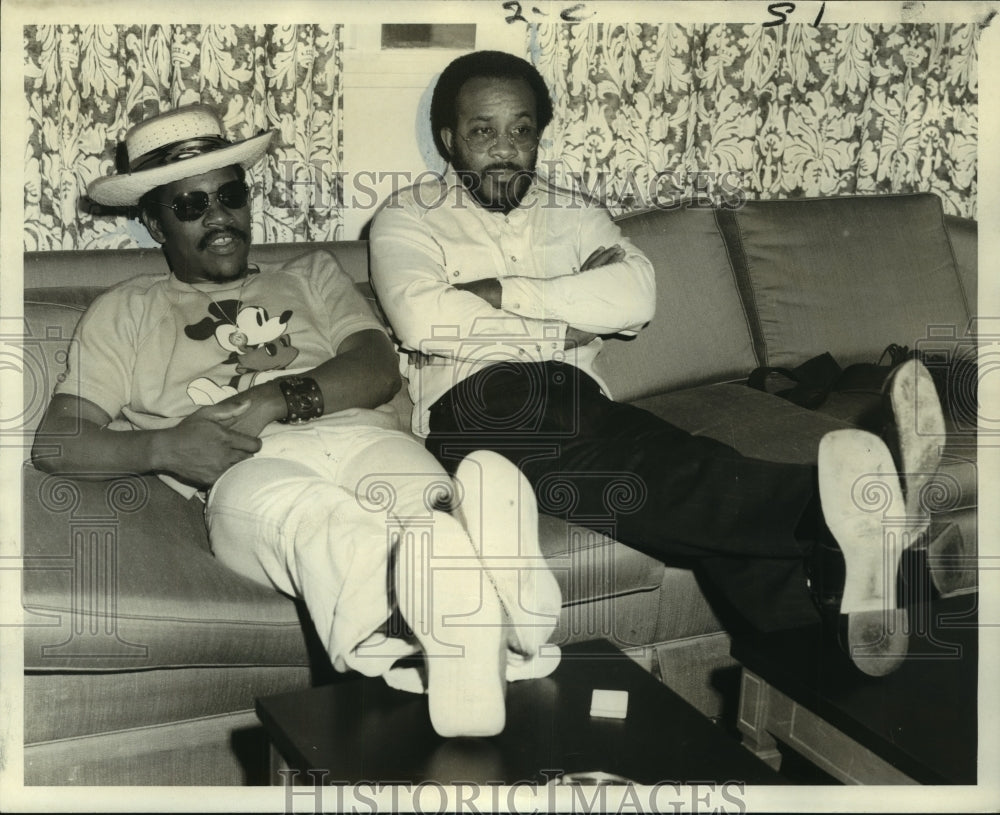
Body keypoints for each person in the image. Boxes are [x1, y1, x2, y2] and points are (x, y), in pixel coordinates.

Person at [369, 50, 946, 676]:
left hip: (577, 399)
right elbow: (424, 321)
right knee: (663, 466)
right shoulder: (407, 216)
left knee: (671, 483)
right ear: (451, 140)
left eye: (522, 129)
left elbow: (636, 298)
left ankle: (832, 657)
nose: (504, 148)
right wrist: (570, 312)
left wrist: (501, 294)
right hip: (473, 406)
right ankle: (840, 512)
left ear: (539, 136)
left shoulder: (575, 213)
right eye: (483, 131)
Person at [31, 104, 563, 738]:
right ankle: (495, 614)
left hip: (361, 434)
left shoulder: (310, 273)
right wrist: (165, 448)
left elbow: (375, 367)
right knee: (315, 522)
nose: (219, 217)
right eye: (191, 205)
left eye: (230, 195)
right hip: (246, 467)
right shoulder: (125, 310)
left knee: (413, 502)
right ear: (152, 220)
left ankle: (450, 612)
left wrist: (272, 400)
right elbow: (59, 442)